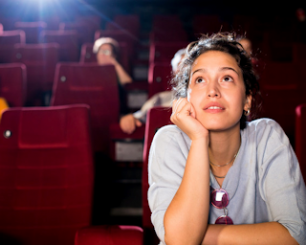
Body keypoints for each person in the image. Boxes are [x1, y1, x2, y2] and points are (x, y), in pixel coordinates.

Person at [148, 33, 306, 245]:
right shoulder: (168, 141)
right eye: (200, 80)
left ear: (247, 100)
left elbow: (296, 236)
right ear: (186, 98)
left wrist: (199, 235)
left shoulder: (268, 135)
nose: (213, 91)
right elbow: (181, 242)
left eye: (227, 78)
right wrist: (199, 139)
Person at [119, 48, 186, 134]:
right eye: (180, 65)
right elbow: (140, 115)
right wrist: (131, 118)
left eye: (189, 65)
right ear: (174, 72)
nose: (185, 70)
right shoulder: (161, 98)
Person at [93, 37, 132, 115]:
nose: (103, 54)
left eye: (107, 51)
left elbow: (127, 82)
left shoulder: (116, 70)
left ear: (113, 55)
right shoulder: (88, 71)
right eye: (101, 51)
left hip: (112, 108)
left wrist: (114, 63)